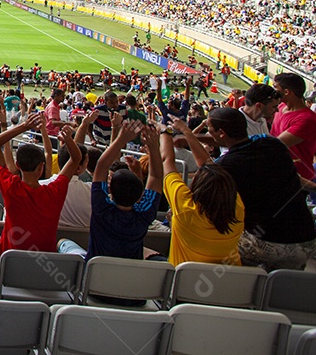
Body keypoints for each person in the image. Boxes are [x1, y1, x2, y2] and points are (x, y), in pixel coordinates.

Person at [178, 108, 316, 271]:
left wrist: (187, 132)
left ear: (221, 133)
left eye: (211, 130)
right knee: (285, 280)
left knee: (219, 254)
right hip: (306, 239)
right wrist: (188, 137)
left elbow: (208, 168)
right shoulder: (272, 143)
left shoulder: (226, 165)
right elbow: (225, 141)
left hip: (266, 243)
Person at [58, 120, 162, 262]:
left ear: (110, 190)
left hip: (94, 272)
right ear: (140, 195)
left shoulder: (102, 209)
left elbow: (101, 166)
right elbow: (156, 177)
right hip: (131, 272)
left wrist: (122, 138)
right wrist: (154, 148)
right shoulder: (145, 214)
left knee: (63, 242)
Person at [0, 113, 82, 255]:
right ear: (41, 167)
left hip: (8, 262)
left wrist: (24, 126)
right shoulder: (55, 190)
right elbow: (76, 159)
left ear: (17, 165)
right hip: (46, 266)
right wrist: (68, 140)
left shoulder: (10, 186)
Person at [160, 125, 244, 266]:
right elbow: (209, 165)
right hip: (230, 282)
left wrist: (165, 131)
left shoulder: (185, 208)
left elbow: (167, 160)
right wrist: (187, 132)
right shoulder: (238, 208)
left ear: (198, 185)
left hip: (183, 283)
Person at [271, 73, 316, 185]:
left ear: (286, 92)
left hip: (296, 177)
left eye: (275, 87)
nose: (272, 91)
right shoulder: (280, 107)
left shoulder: (307, 119)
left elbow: (277, 143)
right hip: (278, 171)